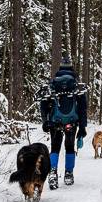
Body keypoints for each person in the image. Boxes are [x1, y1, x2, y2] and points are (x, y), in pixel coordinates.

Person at [39, 58, 87, 188]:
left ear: (60, 68)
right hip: (72, 121)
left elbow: (44, 103)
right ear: (72, 68)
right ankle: (68, 174)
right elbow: (83, 108)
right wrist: (82, 128)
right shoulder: (77, 85)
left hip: (56, 121)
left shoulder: (53, 84)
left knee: (55, 147)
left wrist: (45, 121)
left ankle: (53, 173)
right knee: (70, 147)